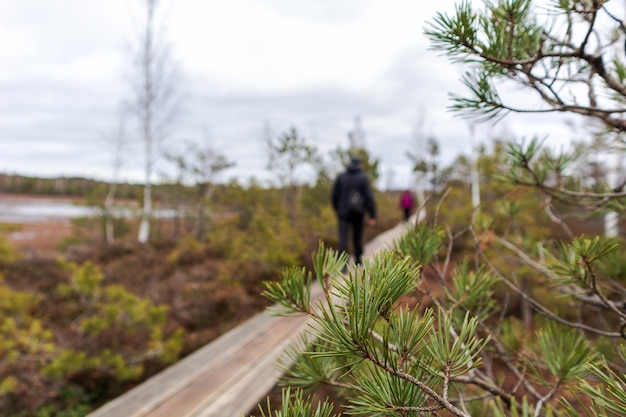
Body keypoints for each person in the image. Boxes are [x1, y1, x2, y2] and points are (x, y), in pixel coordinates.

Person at [331, 156, 377, 266]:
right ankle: (358, 260)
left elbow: (334, 195)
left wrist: (337, 208)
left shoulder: (341, 177)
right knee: (357, 236)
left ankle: (343, 265)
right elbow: (369, 197)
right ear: (359, 164)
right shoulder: (362, 178)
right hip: (358, 212)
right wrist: (372, 215)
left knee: (343, 239)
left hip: (343, 213)